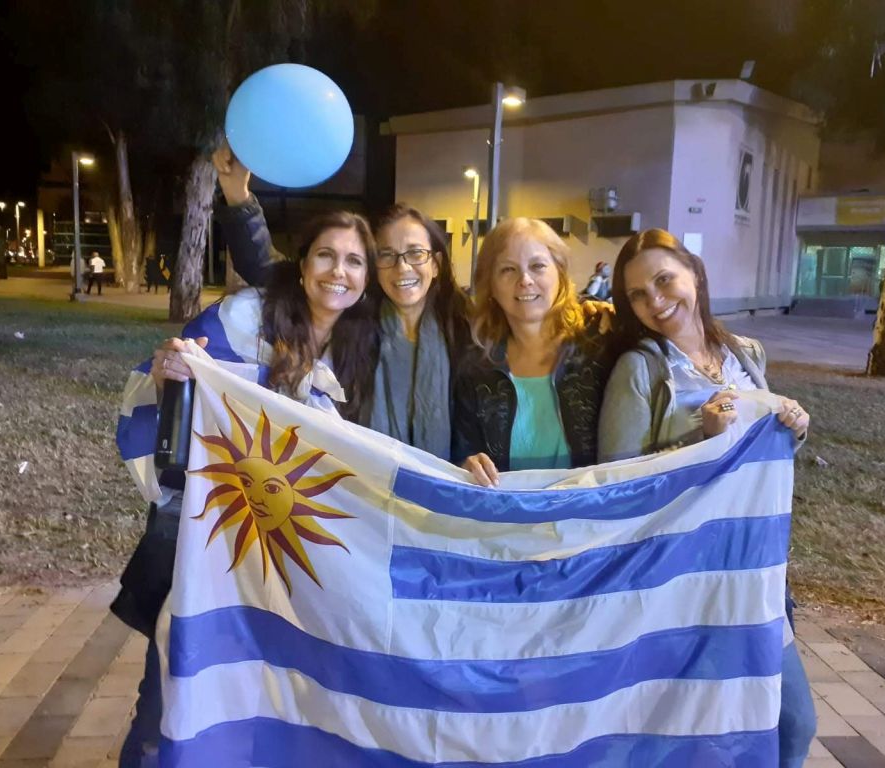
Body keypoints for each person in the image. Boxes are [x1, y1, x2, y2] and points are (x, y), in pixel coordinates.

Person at [112, 209, 377, 767]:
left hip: (291, 555)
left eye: (354, 261)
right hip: (212, 537)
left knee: (259, 692)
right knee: (175, 685)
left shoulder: (359, 347)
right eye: (326, 255)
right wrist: (171, 372)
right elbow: (179, 380)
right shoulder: (244, 318)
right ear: (302, 265)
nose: (339, 272)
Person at [597, 228, 816, 768]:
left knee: (792, 723)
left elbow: (765, 450)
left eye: (664, 279)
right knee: (688, 729)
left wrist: (796, 425)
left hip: (752, 565)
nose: (655, 299)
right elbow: (619, 483)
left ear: (694, 273)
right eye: (638, 295)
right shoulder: (640, 369)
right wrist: (700, 438)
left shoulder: (746, 352)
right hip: (680, 576)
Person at [213, 142, 471, 458]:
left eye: (416, 253)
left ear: (436, 264)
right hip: (364, 482)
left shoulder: (463, 328)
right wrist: (238, 197)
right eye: (387, 255)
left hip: (444, 485)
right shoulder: (358, 317)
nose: (403, 267)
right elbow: (270, 270)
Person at [452, 218, 612, 484]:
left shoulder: (601, 345)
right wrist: (465, 464)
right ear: (490, 284)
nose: (525, 280)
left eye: (538, 266)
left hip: (586, 517)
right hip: (508, 518)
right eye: (507, 270)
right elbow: (461, 449)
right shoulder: (475, 364)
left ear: (560, 273)